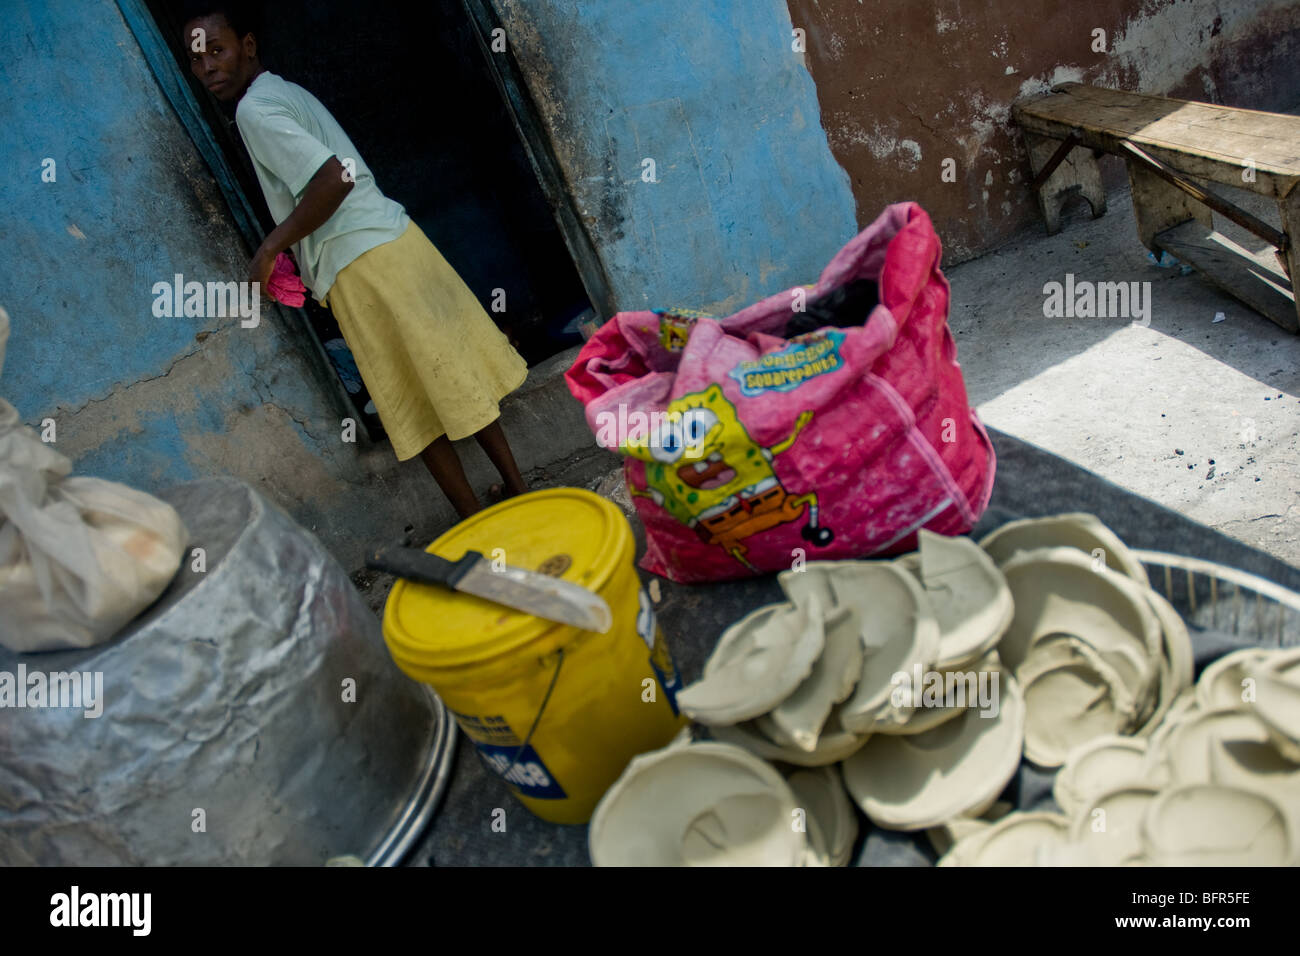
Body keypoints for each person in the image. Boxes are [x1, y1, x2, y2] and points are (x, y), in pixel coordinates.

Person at [180, 1, 529, 518]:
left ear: (247, 47)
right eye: (196, 59)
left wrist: (271, 247)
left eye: (217, 50)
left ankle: (474, 521)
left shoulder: (256, 110)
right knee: (450, 372)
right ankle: (516, 488)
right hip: (394, 241)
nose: (208, 66)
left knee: (407, 398)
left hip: (362, 264)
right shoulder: (283, 92)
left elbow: (334, 179)